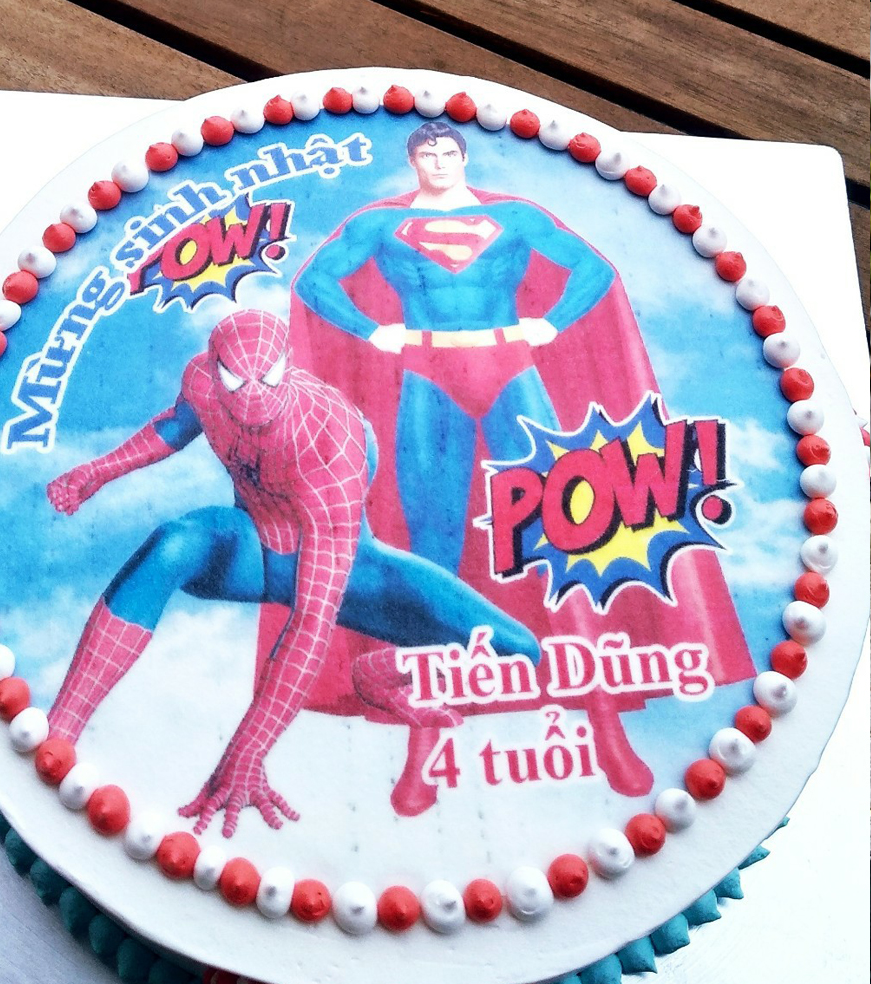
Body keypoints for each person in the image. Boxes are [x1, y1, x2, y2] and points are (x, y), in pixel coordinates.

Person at [290, 120, 754, 808]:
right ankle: (425, 752)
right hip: (427, 376)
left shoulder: (513, 216)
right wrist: (372, 331)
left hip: (511, 370)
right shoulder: (380, 223)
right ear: (413, 160)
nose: (439, 161)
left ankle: (607, 733)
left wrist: (550, 322)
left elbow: (595, 269)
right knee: (433, 554)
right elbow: (314, 282)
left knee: (563, 539)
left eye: (448, 151)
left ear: (463, 156)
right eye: (427, 152)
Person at [45, 309, 539, 838]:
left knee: (520, 651)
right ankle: (57, 734)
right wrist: (96, 471)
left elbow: (311, 619)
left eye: (268, 377)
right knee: (172, 545)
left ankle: (384, 674)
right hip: (254, 553)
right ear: (214, 369)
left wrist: (246, 752)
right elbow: (173, 428)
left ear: (288, 363)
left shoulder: (332, 436)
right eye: (236, 379)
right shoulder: (202, 383)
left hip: (350, 575)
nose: (253, 395)